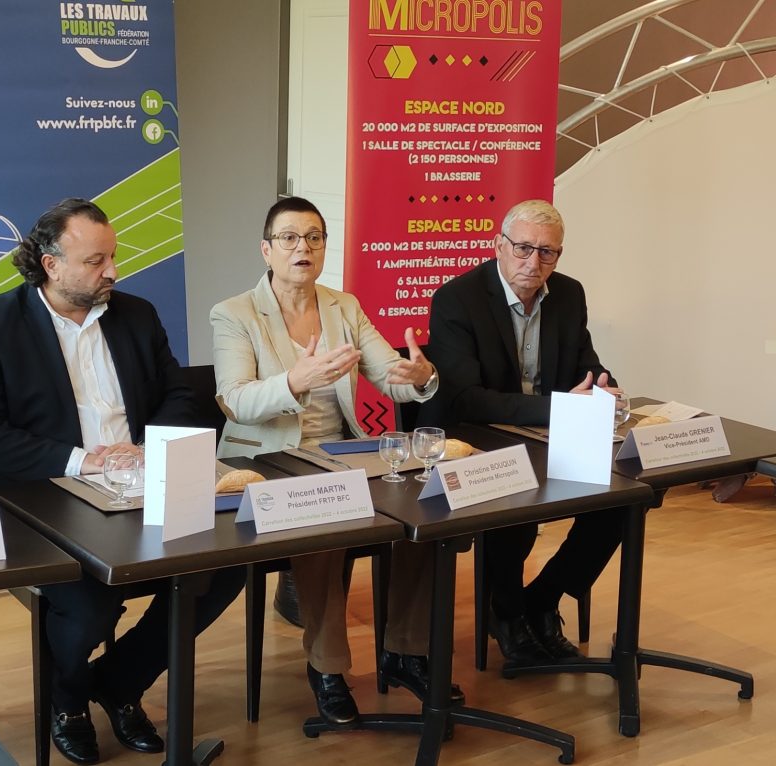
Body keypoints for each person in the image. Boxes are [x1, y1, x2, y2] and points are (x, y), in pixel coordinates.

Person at [0, 198, 245, 765]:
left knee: (223, 564)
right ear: (49, 263)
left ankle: (115, 680)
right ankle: (68, 698)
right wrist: (85, 461)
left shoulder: (135, 313)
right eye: (95, 260)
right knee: (89, 601)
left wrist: (146, 449)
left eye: (112, 257)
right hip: (40, 497)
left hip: (138, 483)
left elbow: (180, 394)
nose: (111, 271)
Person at [210, 196, 459, 726]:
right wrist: (297, 381)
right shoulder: (234, 313)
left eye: (315, 237)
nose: (304, 247)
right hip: (270, 457)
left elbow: (389, 369)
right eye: (290, 238)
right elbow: (235, 399)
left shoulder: (342, 306)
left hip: (343, 450)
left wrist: (419, 378)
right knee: (328, 517)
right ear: (267, 249)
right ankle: (327, 667)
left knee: (424, 509)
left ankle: (405, 650)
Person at [420, 199, 624, 665]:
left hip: (544, 434)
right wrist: (559, 408)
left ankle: (543, 597)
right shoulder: (458, 298)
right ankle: (507, 614)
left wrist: (604, 386)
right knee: (518, 505)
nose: (534, 263)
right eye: (523, 249)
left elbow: (586, 365)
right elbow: (465, 398)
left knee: (620, 499)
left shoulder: (568, 294)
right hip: (478, 438)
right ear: (499, 246)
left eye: (547, 253)